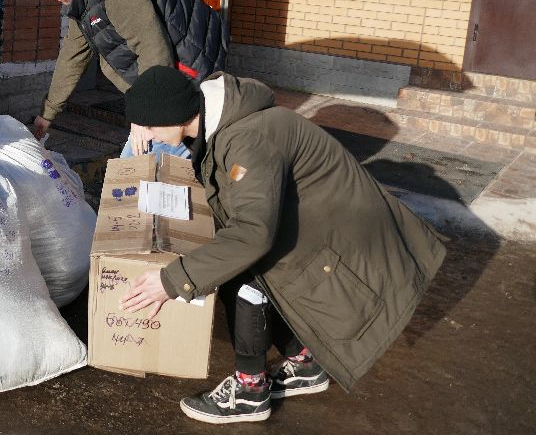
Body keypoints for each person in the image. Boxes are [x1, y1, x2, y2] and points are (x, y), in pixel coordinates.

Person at [118, 66, 446, 425]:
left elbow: (253, 233)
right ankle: (304, 360)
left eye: (148, 125)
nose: (146, 135)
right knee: (228, 253)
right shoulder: (224, 123)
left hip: (346, 244)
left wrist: (170, 281)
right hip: (323, 226)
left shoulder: (245, 139)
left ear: (174, 116)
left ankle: (249, 391)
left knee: (240, 271)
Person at [26, 0, 226, 157]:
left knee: (138, 175)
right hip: (163, 85)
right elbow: (71, 59)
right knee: (153, 174)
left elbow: (153, 49)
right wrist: (47, 115)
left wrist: (145, 115)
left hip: (185, 79)